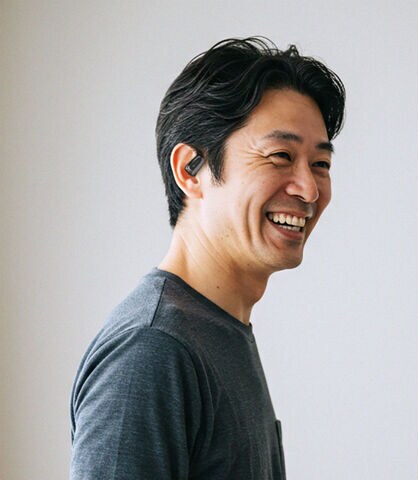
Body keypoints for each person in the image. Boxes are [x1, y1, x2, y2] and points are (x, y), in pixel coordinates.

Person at [69, 36, 345, 479]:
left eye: (321, 164)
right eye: (280, 156)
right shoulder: (151, 350)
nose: (309, 190)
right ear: (190, 171)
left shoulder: (219, 330)